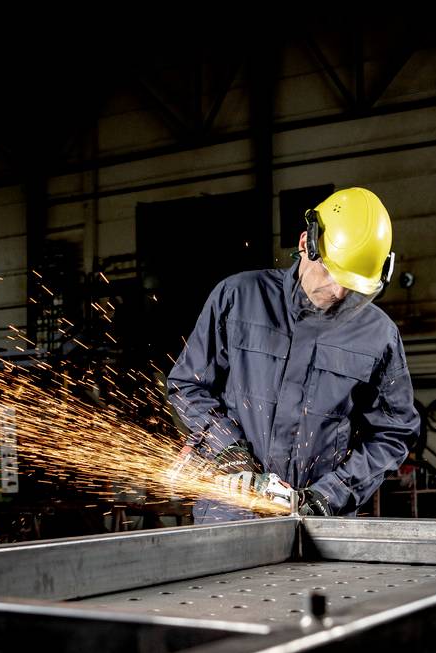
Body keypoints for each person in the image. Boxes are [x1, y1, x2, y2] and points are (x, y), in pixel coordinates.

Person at [167, 186, 420, 522]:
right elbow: (188, 385)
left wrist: (329, 495)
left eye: (354, 284)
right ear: (306, 243)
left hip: (318, 526)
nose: (339, 291)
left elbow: (394, 432)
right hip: (228, 513)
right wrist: (228, 448)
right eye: (331, 272)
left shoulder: (378, 335)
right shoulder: (239, 298)